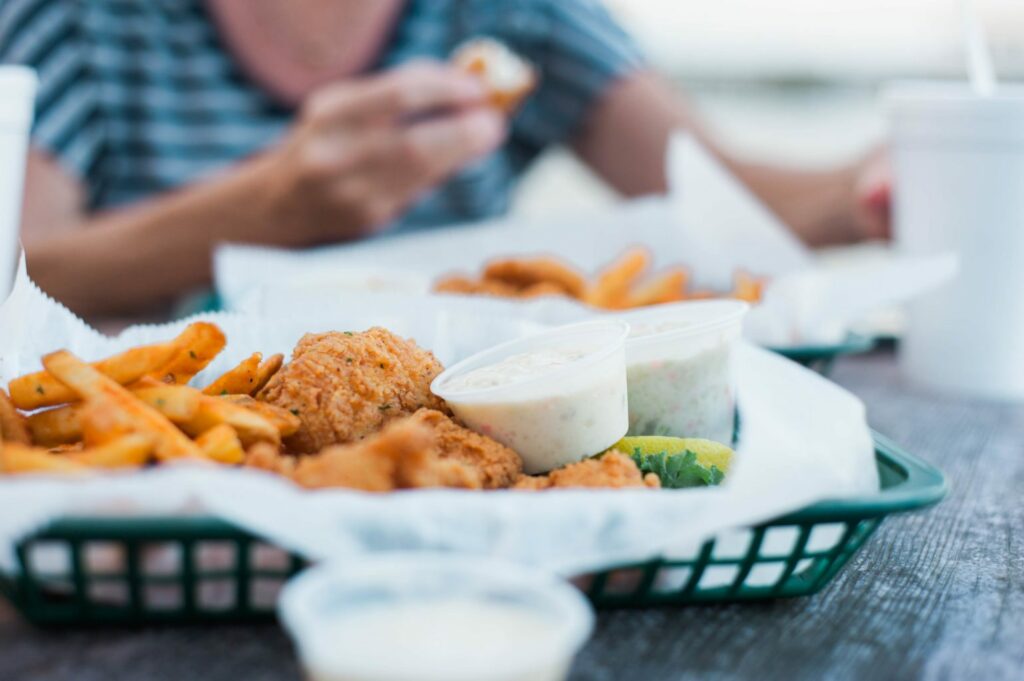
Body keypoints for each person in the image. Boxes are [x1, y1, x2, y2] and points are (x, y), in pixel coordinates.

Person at [0, 0, 889, 319]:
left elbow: (714, 192)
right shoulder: (80, 16)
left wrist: (869, 192)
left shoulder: (515, 10)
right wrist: (259, 213)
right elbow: (17, 271)